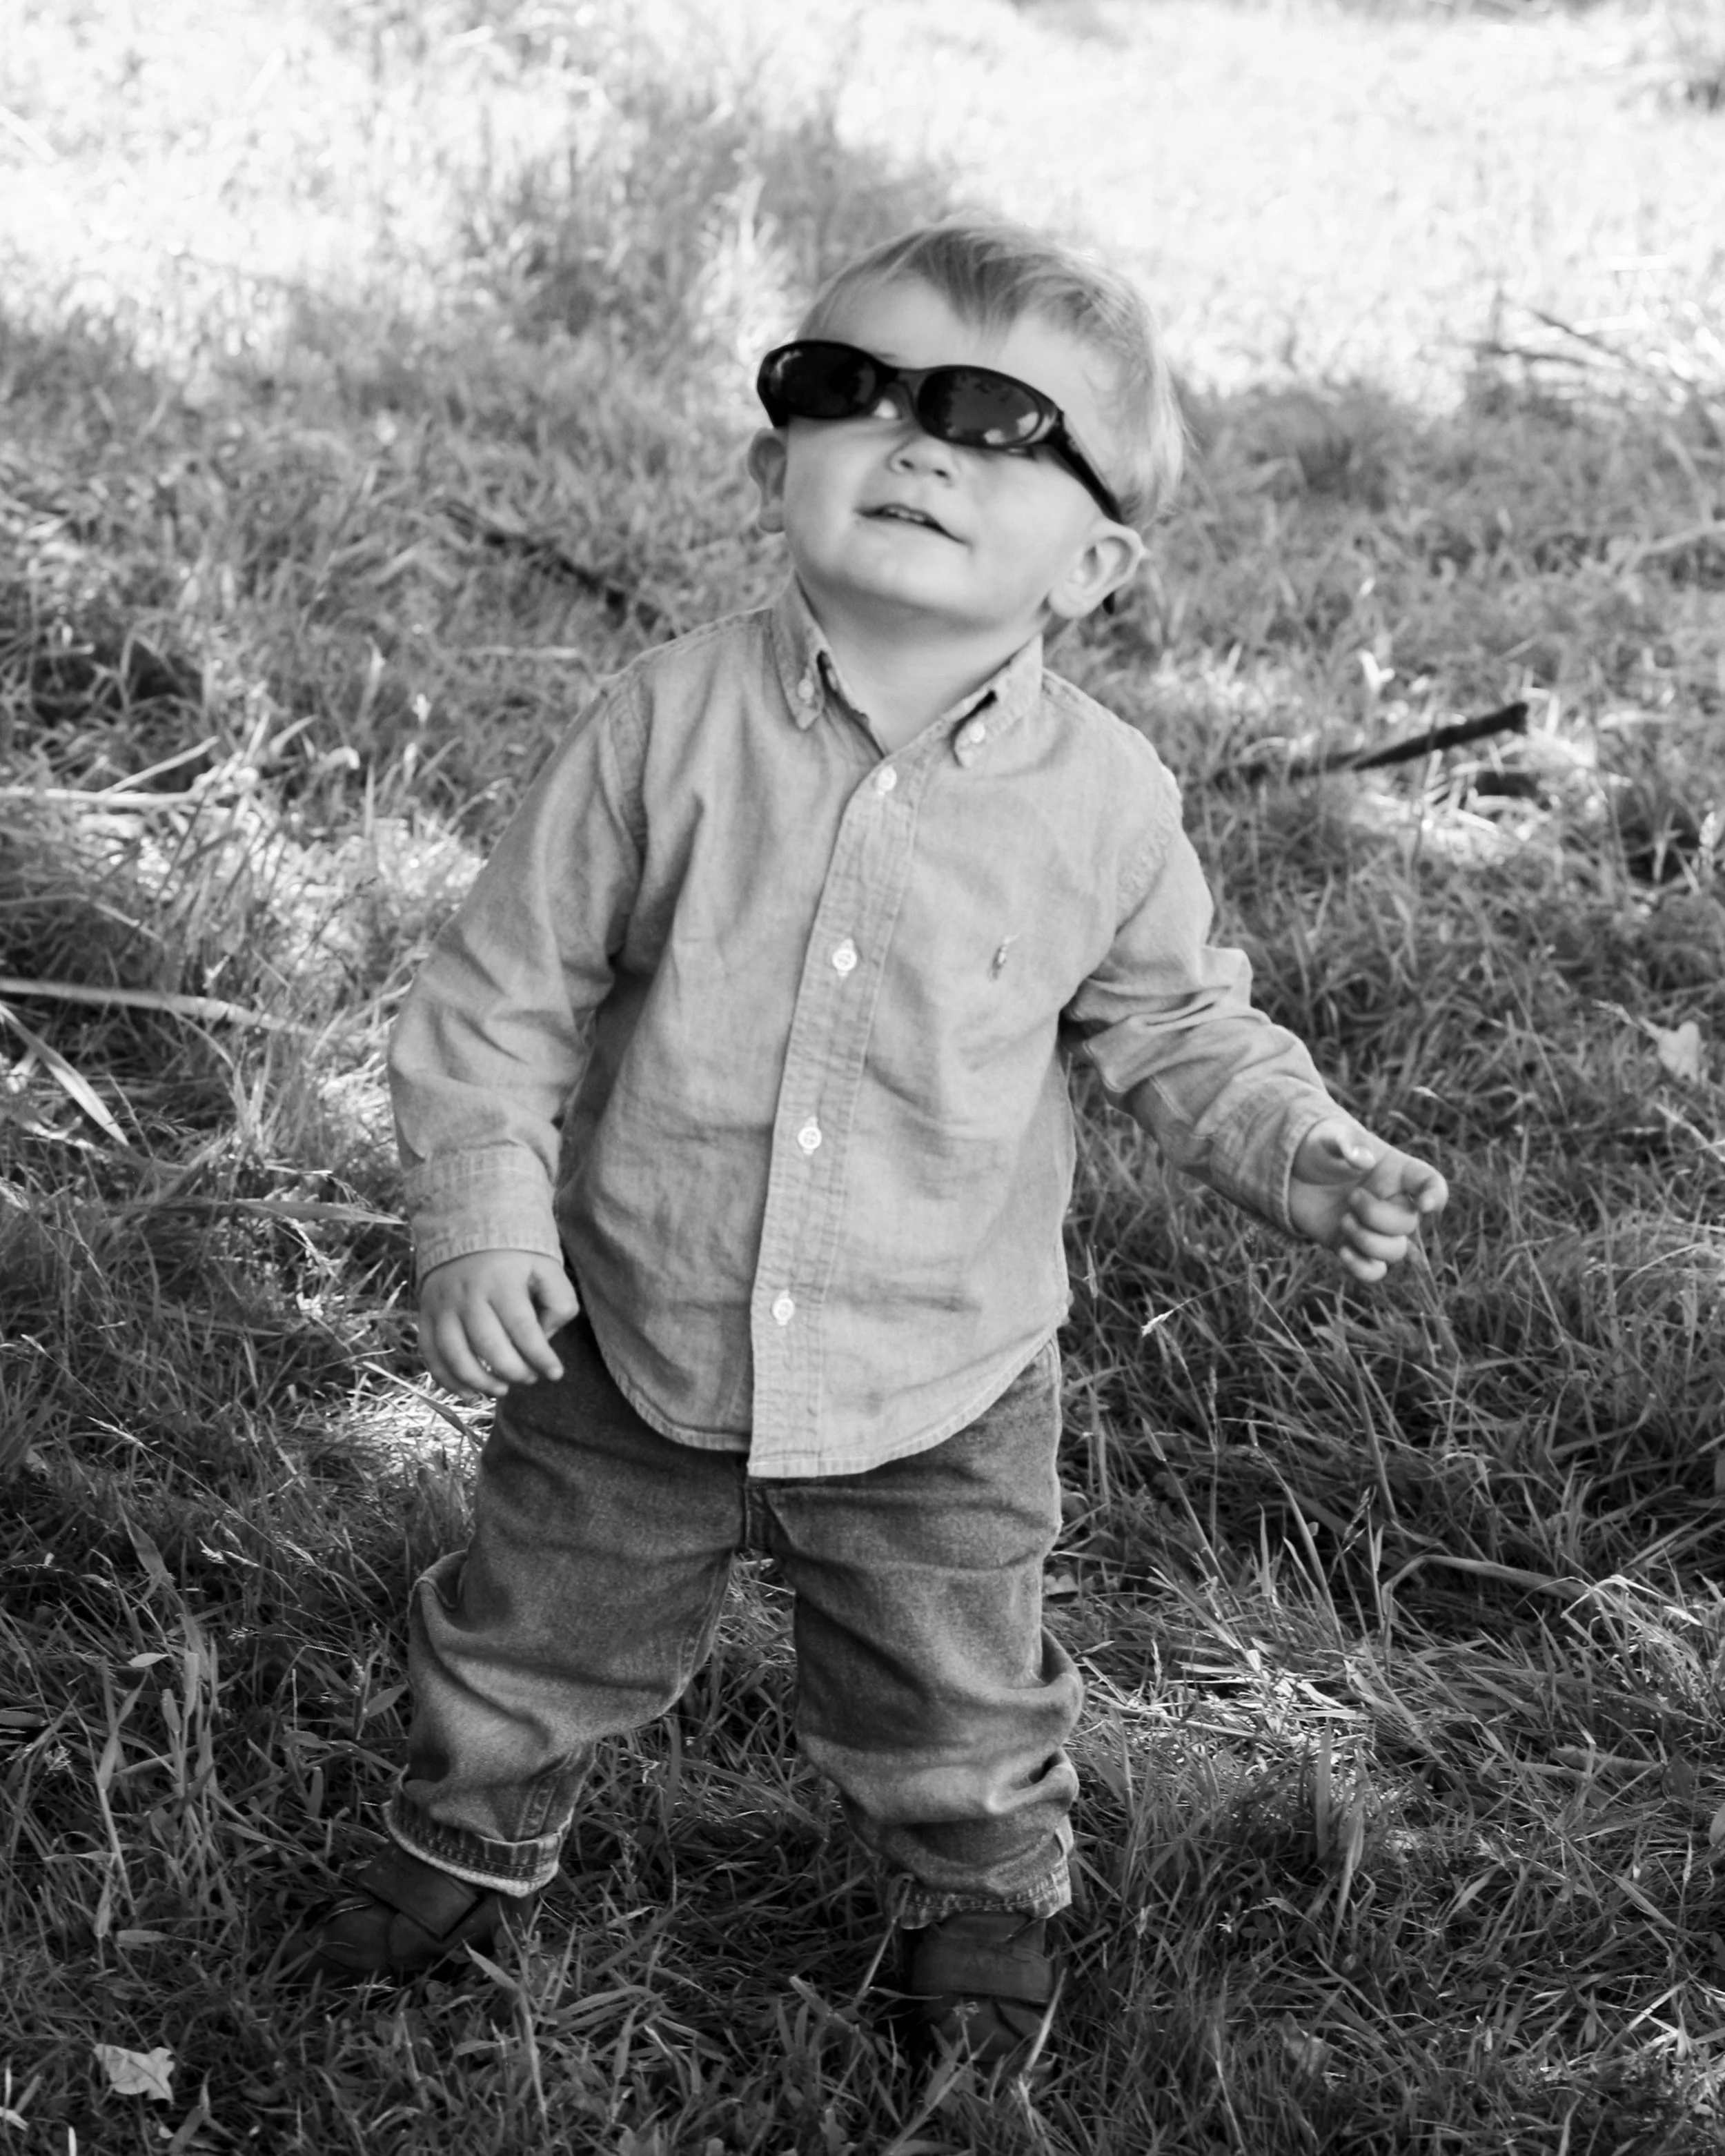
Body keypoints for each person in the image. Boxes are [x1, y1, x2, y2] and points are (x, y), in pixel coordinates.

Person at [286, 220, 1448, 2066]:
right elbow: (505, 989)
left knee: (951, 1683)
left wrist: (1295, 1143)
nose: (914, 438)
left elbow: (1169, 1018)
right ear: (774, 463)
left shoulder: (1105, 799)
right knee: (531, 1631)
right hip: (628, 1330)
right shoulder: (663, 721)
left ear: (1093, 564)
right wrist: (477, 1216)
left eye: (996, 419)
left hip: (938, 1371)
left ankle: (978, 1884)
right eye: (848, 389)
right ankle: (468, 1829)